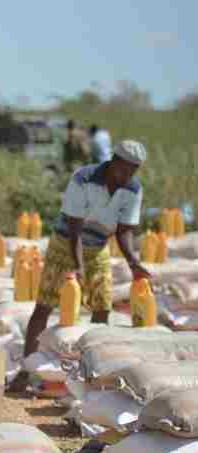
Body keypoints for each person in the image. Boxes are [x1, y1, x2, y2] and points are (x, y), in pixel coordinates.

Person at [13, 140, 150, 392]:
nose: (127, 175)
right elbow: (75, 228)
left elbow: (124, 232)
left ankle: (94, 376)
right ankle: (26, 370)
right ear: (113, 162)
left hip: (98, 247)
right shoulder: (84, 178)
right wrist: (77, 266)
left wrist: (134, 262)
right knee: (44, 305)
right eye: (123, 169)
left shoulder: (133, 189)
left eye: (133, 171)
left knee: (102, 306)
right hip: (65, 243)